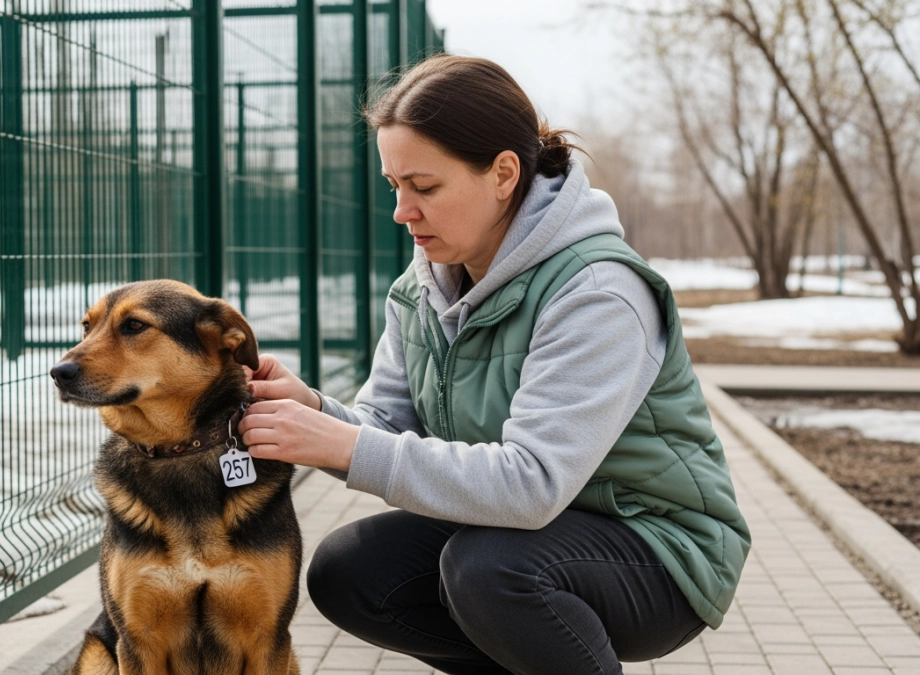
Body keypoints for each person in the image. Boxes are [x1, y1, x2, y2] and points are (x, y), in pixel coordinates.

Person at [237, 54, 750, 675]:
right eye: (394, 186)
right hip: (526, 534)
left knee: (487, 571)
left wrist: (341, 444)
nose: (402, 211)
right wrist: (315, 412)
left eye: (424, 187)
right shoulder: (421, 290)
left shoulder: (597, 292)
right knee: (352, 572)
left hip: (657, 549)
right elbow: (387, 427)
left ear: (504, 174)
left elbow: (532, 485)